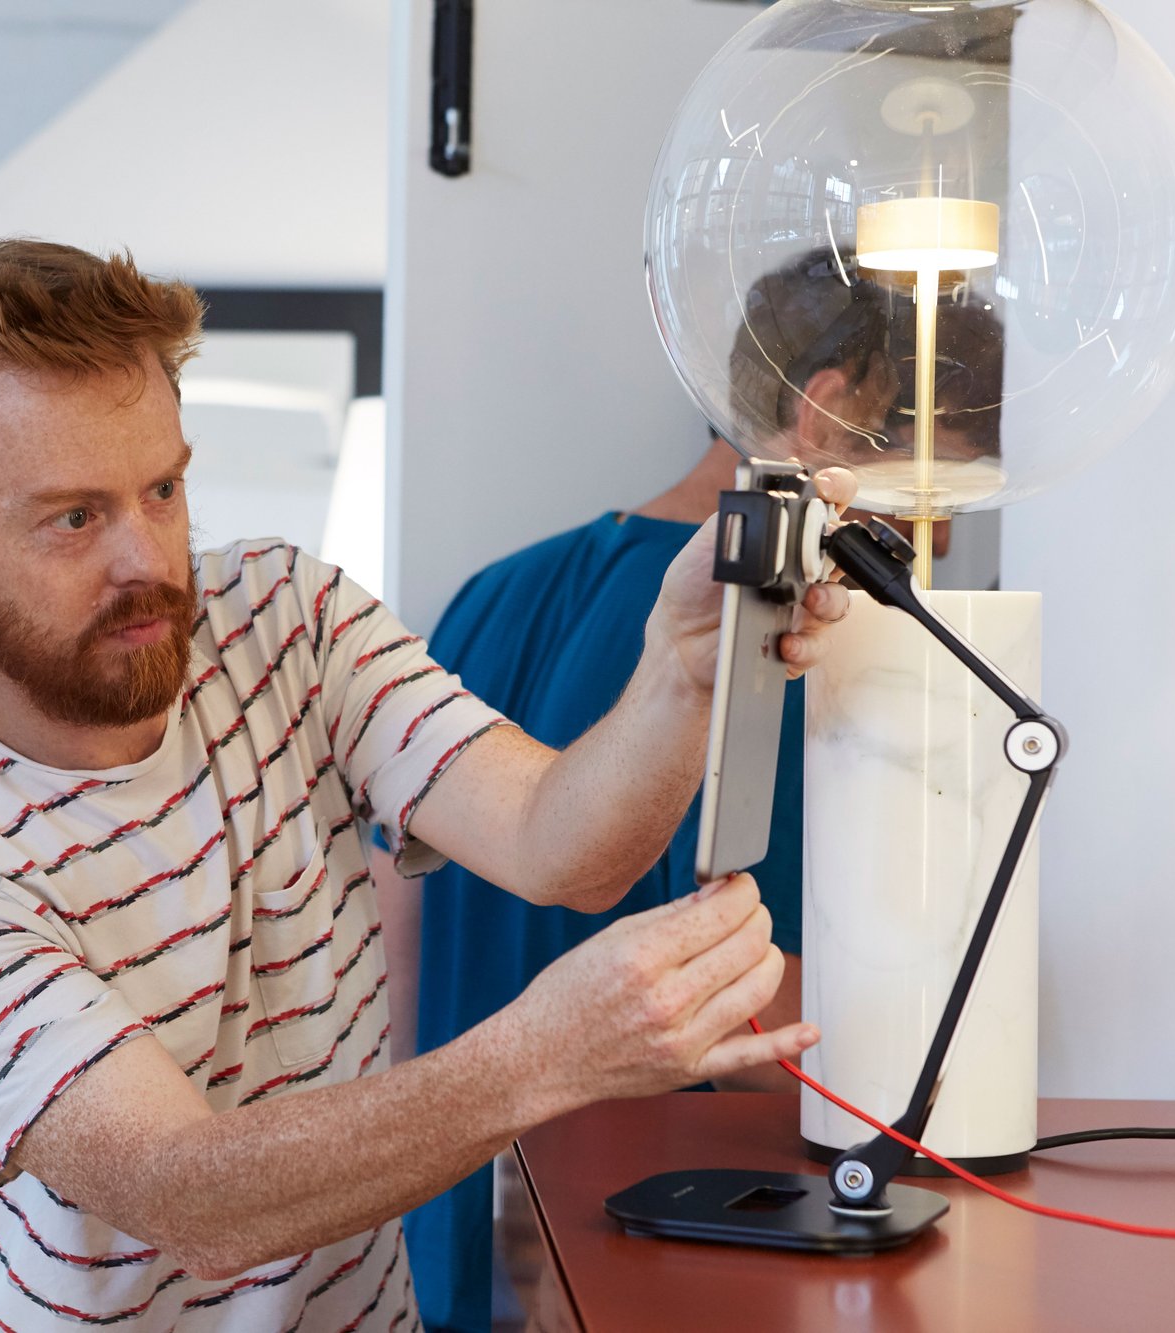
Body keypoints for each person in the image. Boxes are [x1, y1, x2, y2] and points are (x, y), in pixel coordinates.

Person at [0, 237, 855, 1332]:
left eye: (163, 487)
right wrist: (545, 1054)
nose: (149, 561)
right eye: (74, 517)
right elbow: (191, 1195)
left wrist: (681, 670)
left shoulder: (279, 617)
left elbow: (562, 846)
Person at [386, 247, 911, 1333]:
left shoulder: (490, 595)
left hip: (448, 1252)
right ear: (823, 419)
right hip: (642, 1267)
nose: (930, 529)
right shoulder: (788, 638)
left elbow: (398, 924)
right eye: (924, 462)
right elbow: (766, 1028)